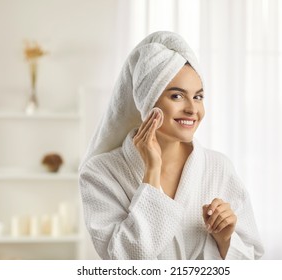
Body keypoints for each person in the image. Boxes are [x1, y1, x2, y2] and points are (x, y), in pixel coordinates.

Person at [79, 31, 264, 260]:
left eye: (198, 97)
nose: (192, 109)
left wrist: (226, 240)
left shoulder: (218, 167)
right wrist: (151, 174)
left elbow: (253, 257)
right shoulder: (101, 172)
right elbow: (124, 261)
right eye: (177, 96)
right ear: (148, 99)